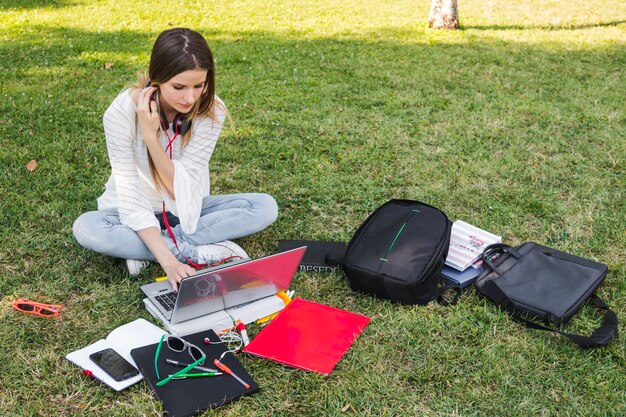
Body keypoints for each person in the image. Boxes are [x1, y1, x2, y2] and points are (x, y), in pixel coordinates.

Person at [73, 28, 278, 288]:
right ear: (157, 79)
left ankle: (141, 249)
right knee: (86, 227)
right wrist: (171, 262)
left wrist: (151, 139)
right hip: (128, 211)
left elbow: (177, 191)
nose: (190, 98)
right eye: (178, 87)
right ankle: (194, 251)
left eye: (199, 85)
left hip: (186, 210)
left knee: (264, 207)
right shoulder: (120, 113)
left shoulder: (211, 110)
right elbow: (130, 196)